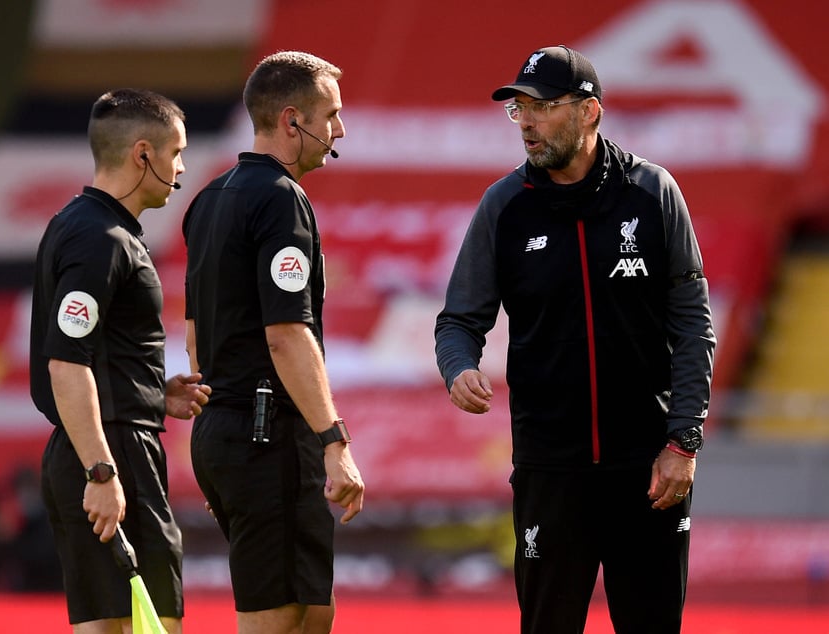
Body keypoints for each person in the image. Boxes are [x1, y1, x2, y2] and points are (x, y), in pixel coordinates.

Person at [434, 45, 715, 634]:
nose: (526, 123)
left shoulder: (653, 194)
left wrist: (683, 441)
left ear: (589, 111)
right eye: (518, 110)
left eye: (540, 107)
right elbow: (459, 320)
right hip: (549, 470)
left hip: (647, 470)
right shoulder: (505, 206)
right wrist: (458, 366)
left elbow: (694, 325)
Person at [181, 51, 365, 634]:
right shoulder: (281, 199)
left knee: (313, 611)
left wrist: (221, 449)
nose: (338, 130)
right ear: (291, 120)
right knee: (279, 617)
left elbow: (194, 332)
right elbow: (287, 333)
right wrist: (333, 440)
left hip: (231, 431)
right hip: (267, 433)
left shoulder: (210, 199)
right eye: (330, 115)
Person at [30, 88, 211, 634]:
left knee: (119, 623)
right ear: (142, 154)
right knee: (148, 625)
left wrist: (155, 392)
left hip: (108, 441)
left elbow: (93, 353)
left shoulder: (89, 227)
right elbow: (66, 362)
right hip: (111, 453)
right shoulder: (100, 238)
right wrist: (101, 470)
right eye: (176, 152)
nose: (182, 168)